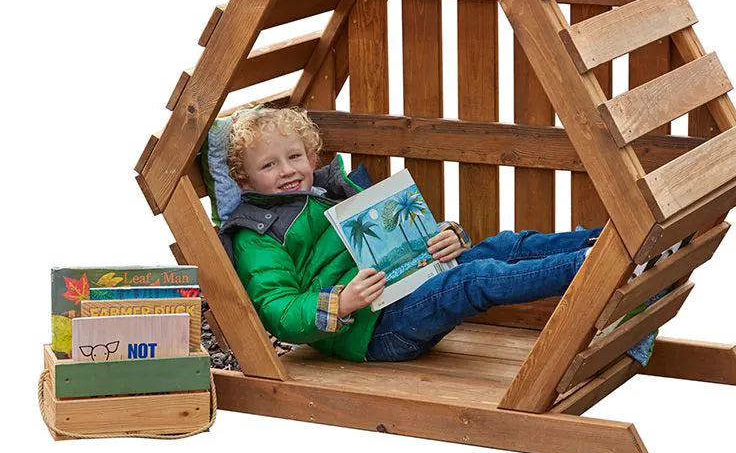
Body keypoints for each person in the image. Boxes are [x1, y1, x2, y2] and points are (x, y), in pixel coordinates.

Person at [219, 106, 604, 364]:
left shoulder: (333, 193)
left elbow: (400, 237)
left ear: (312, 157)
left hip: (407, 290)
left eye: (294, 157)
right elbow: (279, 309)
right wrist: (342, 302)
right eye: (268, 165)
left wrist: (446, 238)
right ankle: (594, 267)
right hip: (375, 332)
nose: (287, 170)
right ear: (243, 179)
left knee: (501, 246)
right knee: (473, 279)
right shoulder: (257, 234)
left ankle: (604, 241)